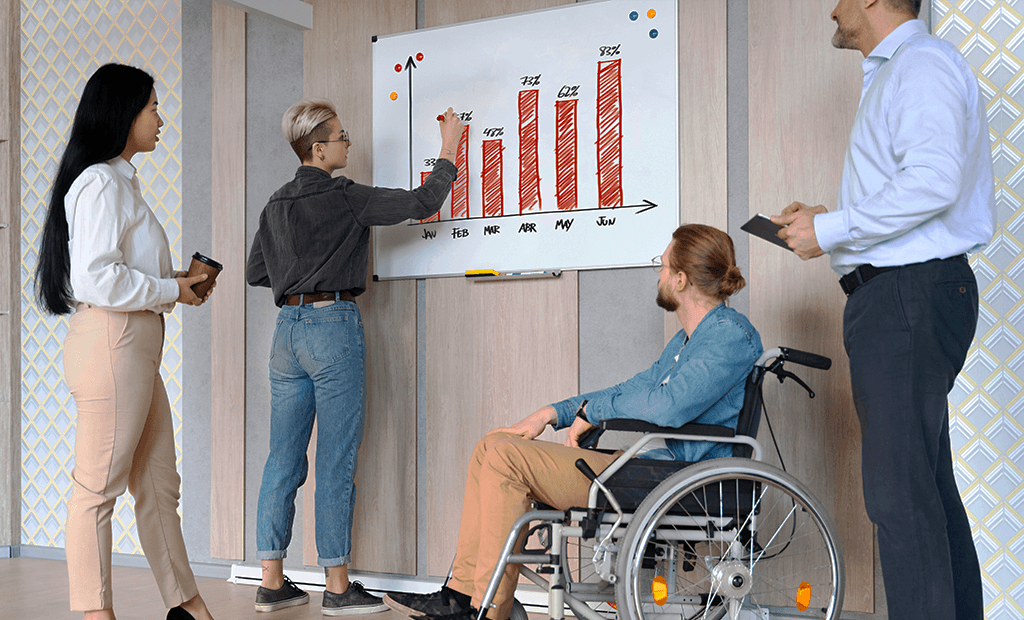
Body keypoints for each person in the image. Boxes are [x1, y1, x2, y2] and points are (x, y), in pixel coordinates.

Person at [384, 224, 763, 620]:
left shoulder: (729, 336)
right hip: (648, 468)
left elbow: (668, 407)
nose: (659, 272)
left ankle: (487, 610)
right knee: (488, 447)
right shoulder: (689, 340)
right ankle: (460, 596)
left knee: (506, 459)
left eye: (664, 265)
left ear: (681, 279)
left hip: (677, 480)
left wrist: (591, 413)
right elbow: (633, 388)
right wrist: (553, 413)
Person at [769, 2, 994, 619]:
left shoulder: (920, 64)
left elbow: (934, 181)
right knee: (924, 490)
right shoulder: (905, 69)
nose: (832, 9)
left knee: (900, 495)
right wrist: (830, 222)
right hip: (904, 295)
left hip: (905, 297)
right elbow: (914, 188)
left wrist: (832, 229)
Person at [245, 99, 464, 615]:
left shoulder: (276, 203)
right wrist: (450, 147)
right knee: (335, 457)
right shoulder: (344, 196)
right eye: (341, 137)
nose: (348, 143)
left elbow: (258, 272)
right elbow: (423, 202)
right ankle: (338, 589)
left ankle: (271, 582)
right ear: (318, 149)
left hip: (286, 334)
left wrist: (299, 269)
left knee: (282, 457)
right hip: (332, 328)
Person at [34, 63, 216, 620]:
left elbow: (119, 273)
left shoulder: (117, 182)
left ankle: (188, 606)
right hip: (113, 345)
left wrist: (175, 285)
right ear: (123, 112)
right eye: (153, 108)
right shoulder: (100, 182)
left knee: (159, 485)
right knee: (97, 489)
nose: (161, 119)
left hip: (133, 349)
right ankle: (96, 614)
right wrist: (170, 289)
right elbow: (95, 278)